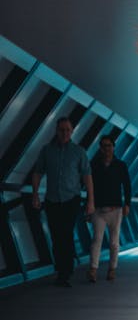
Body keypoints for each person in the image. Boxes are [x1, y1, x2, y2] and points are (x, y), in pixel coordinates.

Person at [32, 117, 94, 287]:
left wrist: (90, 201)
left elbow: (87, 176)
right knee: (56, 235)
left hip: (71, 199)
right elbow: (38, 172)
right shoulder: (47, 151)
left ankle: (65, 272)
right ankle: (62, 268)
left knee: (66, 233)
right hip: (52, 199)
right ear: (56, 131)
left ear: (72, 131)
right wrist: (35, 194)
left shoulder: (78, 152)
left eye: (67, 130)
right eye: (61, 130)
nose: (64, 133)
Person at [87, 135, 131, 283]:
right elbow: (89, 187)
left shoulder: (120, 165)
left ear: (113, 147)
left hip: (116, 209)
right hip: (98, 209)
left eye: (109, 146)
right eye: (103, 146)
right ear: (100, 148)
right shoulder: (94, 165)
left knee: (114, 242)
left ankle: (112, 269)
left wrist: (127, 204)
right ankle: (93, 270)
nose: (106, 149)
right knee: (96, 239)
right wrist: (88, 205)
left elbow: (127, 186)